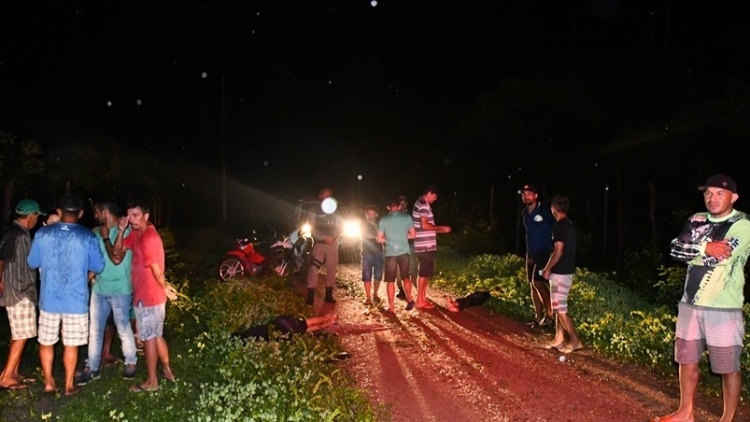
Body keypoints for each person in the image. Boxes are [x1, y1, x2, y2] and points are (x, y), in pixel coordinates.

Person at [650, 174, 750, 422]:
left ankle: (727, 419)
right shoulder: (696, 219)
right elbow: (674, 248)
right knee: (686, 359)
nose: (711, 198)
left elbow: (720, 256)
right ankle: (686, 413)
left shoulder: (744, 224)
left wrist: (696, 248)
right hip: (690, 303)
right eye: (707, 193)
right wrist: (706, 246)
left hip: (723, 307)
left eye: (719, 193)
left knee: (728, 367)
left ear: (733, 197)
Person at [27, 194, 106, 396]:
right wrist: (84, 279)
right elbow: (98, 265)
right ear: (80, 213)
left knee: (46, 341)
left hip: (49, 299)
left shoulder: (43, 234)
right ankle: (69, 385)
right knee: (71, 343)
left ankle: (49, 382)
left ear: (59, 212)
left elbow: (32, 262)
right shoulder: (88, 236)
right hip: (76, 300)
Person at [113, 199, 177, 393]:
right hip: (144, 296)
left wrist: (164, 287)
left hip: (150, 296)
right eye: (129, 215)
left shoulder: (149, 238)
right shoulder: (136, 234)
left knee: (149, 338)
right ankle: (167, 371)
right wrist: (122, 231)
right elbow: (117, 255)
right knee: (156, 336)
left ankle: (152, 381)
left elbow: (157, 270)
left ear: (146, 216)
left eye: (136, 215)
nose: (131, 219)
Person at [75, 200, 138, 385]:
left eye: (97, 212)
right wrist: (84, 281)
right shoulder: (95, 233)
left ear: (105, 212)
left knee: (123, 327)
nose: (95, 216)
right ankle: (92, 366)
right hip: (100, 289)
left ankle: (131, 362)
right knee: (94, 330)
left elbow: (117, 259)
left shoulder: (126, 232)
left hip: (120, 289)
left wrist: (107, 236)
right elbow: (94, 262)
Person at [0, 199, 45, 391]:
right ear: (31, 216)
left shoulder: (17, 233)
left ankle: (14, 372)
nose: (37, 219)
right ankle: (6, 377)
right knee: (21, 335)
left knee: (18, 334)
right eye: (36, 216)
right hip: (19, 292)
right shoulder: (17, 235)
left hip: (17, 290)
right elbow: (1, 261)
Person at [540, 195, 583, 354]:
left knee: (561, 310)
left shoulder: (559, 227)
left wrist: (547, 268)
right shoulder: (570, 225)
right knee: (559, 307)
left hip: (560, 273)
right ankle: (559, 340)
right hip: (568, 271)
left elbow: (558, 252)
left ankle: (575, 341)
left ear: (553, 209)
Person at [520, 184, 555, 328]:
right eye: (524, 194)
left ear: (536, 196)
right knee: (532, 286)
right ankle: (538, 317)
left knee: (538, 283)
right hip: (531, 253)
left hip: (545, 252)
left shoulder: (545, 211)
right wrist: (528, 254)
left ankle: (550, 316)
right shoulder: (524, 213)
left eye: (529, 194)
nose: (526, 196)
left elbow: (556, 225)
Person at [412, 185, 451, 310]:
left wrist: (440, 231)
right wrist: (441, 228)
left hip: (424, 244)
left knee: (425, 273)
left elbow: (426, 228)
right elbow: (424, 226)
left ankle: (422, 298)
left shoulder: (421, 203)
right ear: (429, 193)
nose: (435, 198)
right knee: (423, 273)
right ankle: (419, 300)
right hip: (425, 246)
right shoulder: (423, 205)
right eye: (434, 196)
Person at [377, 196, 417, 312]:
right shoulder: (407, 217)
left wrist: (388, 239)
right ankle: (409, 299)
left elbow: (379, 239)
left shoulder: (384, 220)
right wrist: (403, 236)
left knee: (390, 280)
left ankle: (391, 307)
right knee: (405, 277)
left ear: (388, 207)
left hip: (390, 253)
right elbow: (413, 235)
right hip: (404, 252)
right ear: (399, 206)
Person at [305, 187, 344, 306]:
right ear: (320, 196)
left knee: (331, 269)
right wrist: (323, 237)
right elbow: (311, 227)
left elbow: (341, 226)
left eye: (329, 194)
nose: (326, 196)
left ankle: (328, 296)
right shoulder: (314, 210)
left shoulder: (336, 211)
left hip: (332, 244)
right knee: (314, 269)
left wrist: (333, 236)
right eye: (324, 194)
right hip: (319, 244)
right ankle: (310, 296)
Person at [234, 314, 339, 341]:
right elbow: (264, 328)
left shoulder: (251, 339)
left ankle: (329, 323)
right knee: (308, 322)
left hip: (287, 333)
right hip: (284, 325)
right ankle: (330, 318)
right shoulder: (249, 332)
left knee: (307, 329)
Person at [361, 205, 384, 305]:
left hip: (378, 252)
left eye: (373, 213)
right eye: (369, 213)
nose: (370, 216)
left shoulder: (380, 224)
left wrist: (374, 226)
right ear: (366, 214)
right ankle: (368, 298)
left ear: (376, 214)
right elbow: (365, 235)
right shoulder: (363, 224)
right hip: (366, 252)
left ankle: (375, 294)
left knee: (378, 275)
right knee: (367, 275)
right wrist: (375, 236)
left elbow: (382, 235)